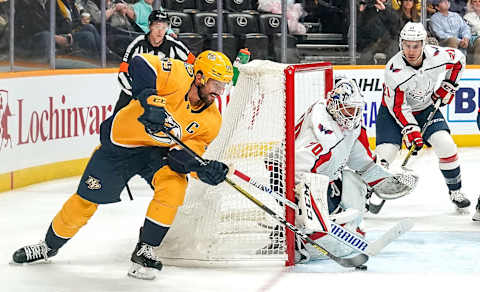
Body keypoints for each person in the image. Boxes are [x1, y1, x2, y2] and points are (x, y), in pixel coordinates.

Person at [11, 50, 234, 280]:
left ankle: (145, 249)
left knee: (174, 186)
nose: (219, 91)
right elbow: (140, 62)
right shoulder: (177, 74)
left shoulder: (212, 121)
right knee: (86, 201)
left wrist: (200, 168)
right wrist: (150, 99)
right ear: (199, 77)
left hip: (157, 154)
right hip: (121, 146)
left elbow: (180, 157)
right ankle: (48, 246)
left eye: (224, 85)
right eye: (216, 83)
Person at [267, 78, 415, 262]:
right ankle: (293, 238)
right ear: (336, 106)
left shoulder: (339, 119)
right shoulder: (323, 137)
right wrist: (307, 209)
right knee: (314, 229)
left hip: (316, 175)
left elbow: (361, 162)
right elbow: (296, 172)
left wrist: (381, 179)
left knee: (352, 180)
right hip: (286, 176)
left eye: (356, 109)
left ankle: (320, 228)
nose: (353, 115)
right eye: (349, 109)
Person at [375, 22, 471, 213]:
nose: (410, 50)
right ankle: (368, 194)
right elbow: (399, 107)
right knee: (385, 156)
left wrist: (448, 85)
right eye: (407, 45)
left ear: (424, 43)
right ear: (401, 43)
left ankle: (456, 191)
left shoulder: (437, 56)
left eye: (416, 45)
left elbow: (459, 59)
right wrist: (411, 130)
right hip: (393, 113)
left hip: (426, 108)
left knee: (446, 144)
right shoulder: (394, 70)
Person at [115, 9, 195, 113]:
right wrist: (135, 92)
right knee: (116, 119)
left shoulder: (174, 45)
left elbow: (193, 64)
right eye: (157, 26)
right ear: (149, 26)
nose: (160, 31)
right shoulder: (138, 43)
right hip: (136, 92)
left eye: (164, 27)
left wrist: (179, 88)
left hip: (164, 94)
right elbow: (123, 72)